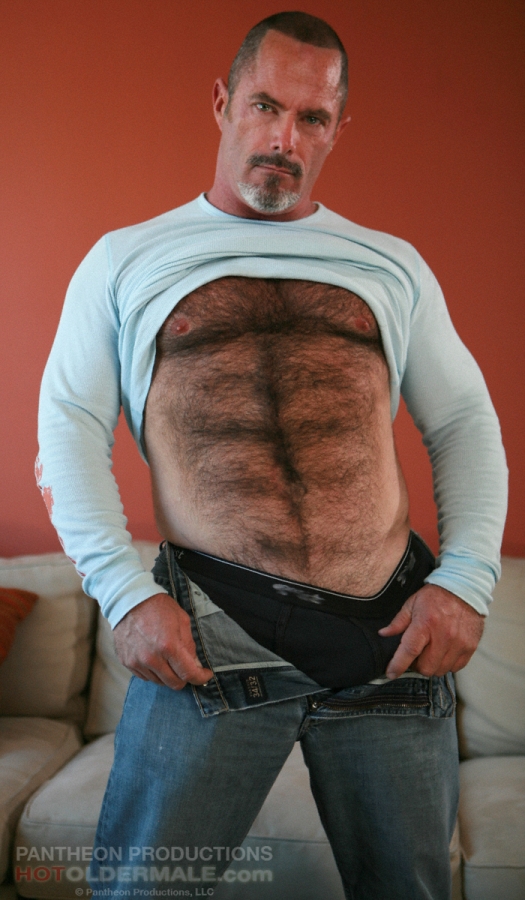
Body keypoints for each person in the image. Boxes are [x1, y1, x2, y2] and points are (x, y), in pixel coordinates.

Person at [37, 11, 507, 900]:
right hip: (211, 633)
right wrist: (125, 595)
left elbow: (464, 423)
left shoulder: (389, 264)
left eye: (311, 117)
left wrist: (465, 580)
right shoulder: (126, 259)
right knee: (142, 889)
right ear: (222, 102)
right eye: (264, 106)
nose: (284, 139)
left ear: (336, 129)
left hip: (388, 639)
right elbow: (66, 427)